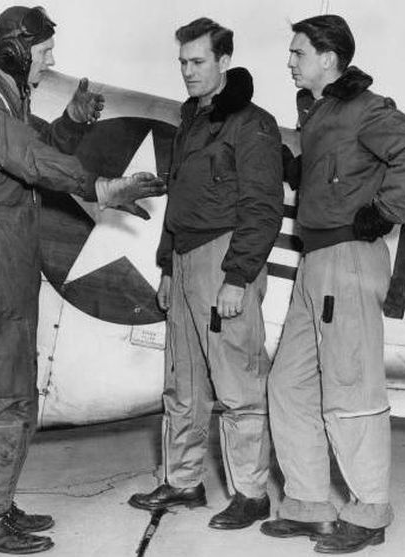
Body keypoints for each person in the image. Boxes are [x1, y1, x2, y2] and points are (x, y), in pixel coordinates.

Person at [0, 6, 165, 554]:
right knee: (1, 389)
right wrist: (102, 188)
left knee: (19, 386)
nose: (49, 61)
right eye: (43, 53)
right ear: (16, 53)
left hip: (13, 254)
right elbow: (31, 160)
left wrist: (72, 122)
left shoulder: (8, 104)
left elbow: (38, 150)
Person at [260, 14, 405, 553]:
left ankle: (369, 512)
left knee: (350, 385)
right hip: (315, 261)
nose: (290, 62)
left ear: (328, 58)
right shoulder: (320, 114)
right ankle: (308, 503)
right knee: (288, 384)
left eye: (298, 53)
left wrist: (384, 212)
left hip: (348, 259)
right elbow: (334, 175)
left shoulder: (364, 108)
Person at [128, 17, 284, 530]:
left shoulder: (252, 124)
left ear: (224, 61)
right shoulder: (193, 118)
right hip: (185, 259)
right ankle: (183, 481)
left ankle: (251, 493)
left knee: (239, 384)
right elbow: (180, 199)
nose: (188, 71)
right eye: (182, 62)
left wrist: (237, 277)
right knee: (184, 383)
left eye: (198, 62)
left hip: (224, 259)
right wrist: (167, 265)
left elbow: (263, 209)